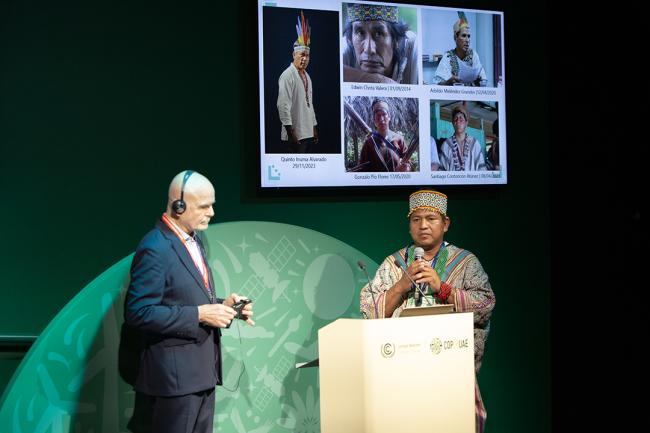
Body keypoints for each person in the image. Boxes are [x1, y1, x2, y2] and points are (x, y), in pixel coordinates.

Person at [125, 170, 255, 433]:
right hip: (174, 382)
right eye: (204, 206)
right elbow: (138, 312)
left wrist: (224, 306)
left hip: (200, 375)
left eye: (212, 205)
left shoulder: (192, 240)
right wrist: (199, 314)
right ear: (179, 206)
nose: (212, 213)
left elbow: (184, 296)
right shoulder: (155, 247)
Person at [359, 189, 495, 433]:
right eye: (416, 219)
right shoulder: (393, 264)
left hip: (449, 376)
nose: (423, 225)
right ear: (409, 225)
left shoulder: (466, 262)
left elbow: (485, 304)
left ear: (446, 224)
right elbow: (368, 311)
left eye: (431, 219)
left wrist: (441, 288)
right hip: (401, 376)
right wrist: (401, 286)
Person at [342, 3, 418, 84]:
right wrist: (378, 80)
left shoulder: (413, 46)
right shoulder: (346, 45)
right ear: (350, 39)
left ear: (396, 40)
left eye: (378, 34)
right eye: (360, 33)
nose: (369, 49)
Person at [277, 11, 318, 153]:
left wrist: (313, 127)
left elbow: (310, 104)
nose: (304, 59)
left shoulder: (307, 76)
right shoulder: (287, 75)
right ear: (294, 54)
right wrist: (291, 134)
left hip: (307, 134)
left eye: (307, 55)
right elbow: (283, 105)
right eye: (302, 55)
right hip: (294, 136)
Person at [433, 15, 488, 87]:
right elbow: (436, 84)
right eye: (464, 36)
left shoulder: (473, 55)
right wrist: (448, 82)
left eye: (469, 36)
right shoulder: (448, 56)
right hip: (454, 97)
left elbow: (484, 80)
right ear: (455, 37)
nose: (467, 40)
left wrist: (479, 81)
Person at [358, 99, 412, 172]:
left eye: (384, 114)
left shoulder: (399, 140)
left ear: (389, 117)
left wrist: (406, 168)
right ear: (374, 120)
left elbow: (408, 164)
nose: (381, 119)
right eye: (378, 115)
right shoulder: (369, 143)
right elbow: (361, 170)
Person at [439, 104, 487, 171]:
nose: (458, 121)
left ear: (466, 122)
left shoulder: (475, 144)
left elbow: (482, 168)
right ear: (453, 123)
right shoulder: (446, 145)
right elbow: (441, 171)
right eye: (456, 118)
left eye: (461, 118)